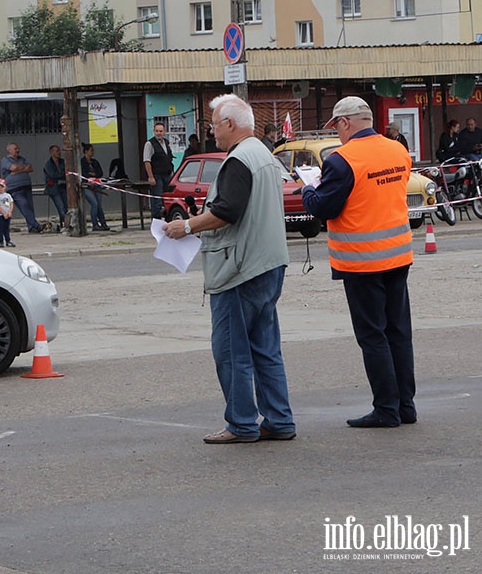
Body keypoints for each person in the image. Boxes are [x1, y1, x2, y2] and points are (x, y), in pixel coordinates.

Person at [163, 94, 295, 444]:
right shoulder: (264, 156)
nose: (211, 131)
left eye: (214, 125)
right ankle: (279, 419)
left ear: (231, 125)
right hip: (268, 263)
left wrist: (187, 226)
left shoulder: (238, 160)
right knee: (265, 347)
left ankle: (241, 423)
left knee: (232, 351)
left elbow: (227, 211)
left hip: (240, 269)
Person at [301, 96, 416, 428]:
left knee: (372, 335)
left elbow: (324, 207)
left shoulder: (342, 160)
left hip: (362, 260)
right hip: (398, 254)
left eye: (336, 126)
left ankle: (386, 409)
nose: (336, 133)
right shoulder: (397, 151)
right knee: (398, 332)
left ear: (345, 123)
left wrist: (309, 190)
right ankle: (405, 406)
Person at [0, 142, 42, 233]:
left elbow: (30, 168)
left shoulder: (22, 159)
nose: (18, 150)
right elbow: (13, 168)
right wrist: (23, 169)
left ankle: (32, 227)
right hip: (14, 189)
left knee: (30, 207)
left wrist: (17, 171)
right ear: (9, 150)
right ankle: (36, 225)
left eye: (18, 148)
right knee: (24, 205)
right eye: (15, 149)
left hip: (26, 186)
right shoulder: (5, 160)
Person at [143, 122, 174, 219]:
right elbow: (147, 161)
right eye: (156, 131)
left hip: (167, 175)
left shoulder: (166, 142)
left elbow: (169, 158)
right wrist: (151, 177)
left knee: (167, 199)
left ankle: (167, 221)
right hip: (157, 176)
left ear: (164, 132)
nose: (158, 133)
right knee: (157, 200)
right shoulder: (149, 144)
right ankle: (156, 221)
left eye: (160, 131)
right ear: (154, 132)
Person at [80, 142, 110, 231]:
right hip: (87, 186)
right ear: (86, 151)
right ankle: (95, 224)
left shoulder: (95, 162)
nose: (93, 152)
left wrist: (93, 175)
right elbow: (83, 174)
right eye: (91, 150)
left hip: (96, 185)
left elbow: (100, 173)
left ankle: (103, 223)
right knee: (94, 204)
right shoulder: (82, 162)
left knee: (99, 205)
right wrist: (90, 176)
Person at [42, 144, 68, 225]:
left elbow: (67, 172)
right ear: (51, 152)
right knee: (61, 207)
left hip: (63, 187)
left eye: (59, 150)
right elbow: (53, 175)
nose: (59, 153)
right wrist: (62, 176)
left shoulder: (63, 162)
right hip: (54, 189)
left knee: (66, 206)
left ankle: (65, 223)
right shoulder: (48, 164)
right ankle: (65, 224)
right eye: (57, 151)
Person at [0, 178, 15, 247]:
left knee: (6, 228)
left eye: (2, 186)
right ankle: (1, 241)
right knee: (0, 229)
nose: (0, 188)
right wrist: (3, 213)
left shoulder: (8, 195)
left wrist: (10, 212)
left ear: (5, 187)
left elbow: (11, 204)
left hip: (7, 214)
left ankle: (8, 240)